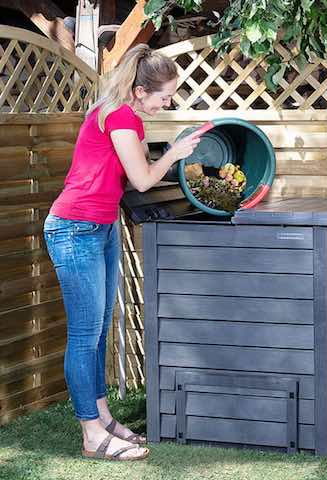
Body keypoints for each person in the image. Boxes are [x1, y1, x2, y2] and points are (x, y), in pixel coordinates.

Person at [43, 44, 202, 461]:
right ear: (138, 90)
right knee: (84, 336)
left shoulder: (119, 113)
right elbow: (144, 179)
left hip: (100, 226)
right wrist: (175, 153)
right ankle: (91, 434)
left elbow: (126, 180)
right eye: (164, 95)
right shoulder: (120, 115)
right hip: (74, 228)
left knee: (95, 333)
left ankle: (102, 418)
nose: (168, 103)